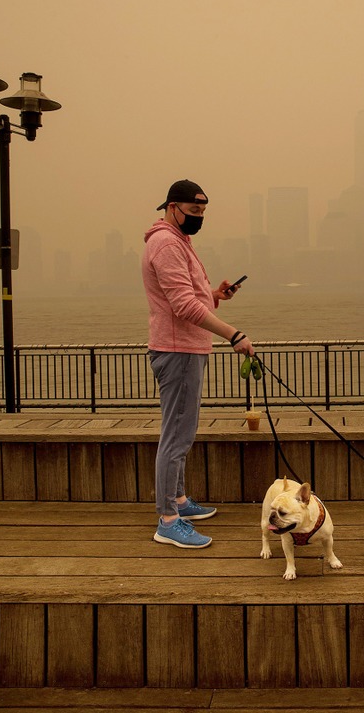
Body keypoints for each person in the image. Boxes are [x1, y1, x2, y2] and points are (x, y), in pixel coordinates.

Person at [142, 179, 254, 548]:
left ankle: (178, 501)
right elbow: (183, 306)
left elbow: (192, 296)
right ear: (172, 207)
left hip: (186, 349)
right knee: (176, 436)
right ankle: (168, 520)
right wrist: (234, 334)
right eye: (193, 212)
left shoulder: (178, 242)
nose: (198, 218)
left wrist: (214, 294)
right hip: (178, 352)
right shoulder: (165, 244)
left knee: (181, 433)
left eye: (203, 212)